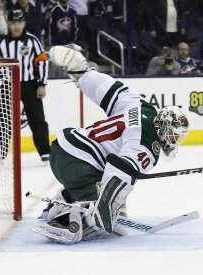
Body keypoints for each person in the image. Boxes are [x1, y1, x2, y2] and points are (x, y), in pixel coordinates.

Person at [35, 44, 190, 244]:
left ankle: (60, 202)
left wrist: (81, 70)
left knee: (117, 206)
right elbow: (121, 171)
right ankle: (64, 222)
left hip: (67, 149)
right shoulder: (148, 146)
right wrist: (105, 210)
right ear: (162, 129)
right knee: (108, 220)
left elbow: (109, 89)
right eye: (172, 135)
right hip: (77, 164)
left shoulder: (144, 107)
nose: (173, 140)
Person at [0, 9, 51, 163]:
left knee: (37, 119)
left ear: (24, 23)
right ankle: (0, 152)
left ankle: (45, 151)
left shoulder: (32, 41)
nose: (17, 26)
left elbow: (42, 60)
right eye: (13, 23)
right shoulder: (0, 43)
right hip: (8, 85)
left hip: (30, 85)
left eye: (19, 23)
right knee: (2, 119)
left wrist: (42, 84)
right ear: (8, 24)